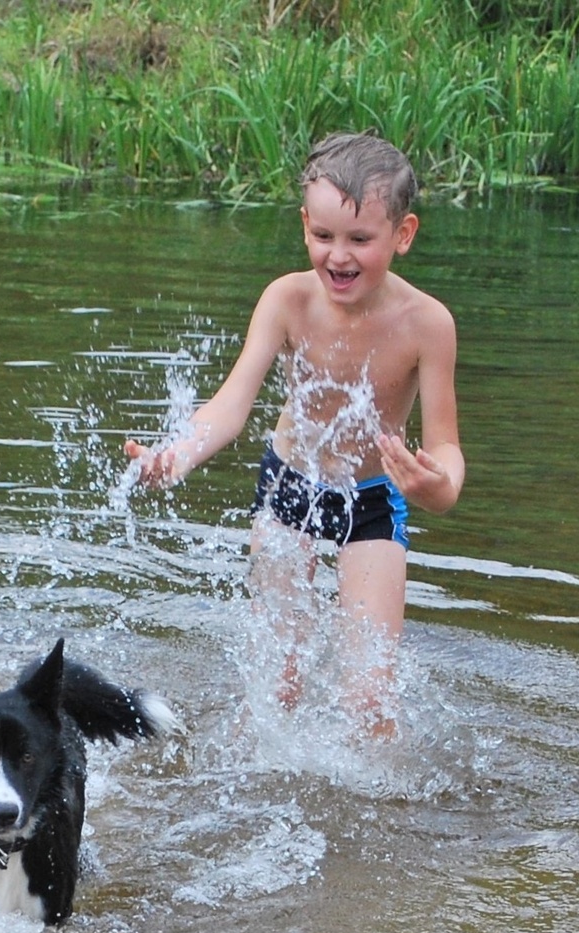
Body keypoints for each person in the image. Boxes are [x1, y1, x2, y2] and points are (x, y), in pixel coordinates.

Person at [124, 131, 464, 732]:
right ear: (305, 224)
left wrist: (434, 483)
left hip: (374, 502)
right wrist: (177, 455)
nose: (339, 256)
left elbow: (445, 449)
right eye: (324, 236)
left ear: (403, 234)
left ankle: (383, 812)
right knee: (277, 684)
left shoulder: (427, 324)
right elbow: (232, 404)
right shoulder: (287, 300)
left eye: (360, 239)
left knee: (369, 701)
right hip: (288, 490)